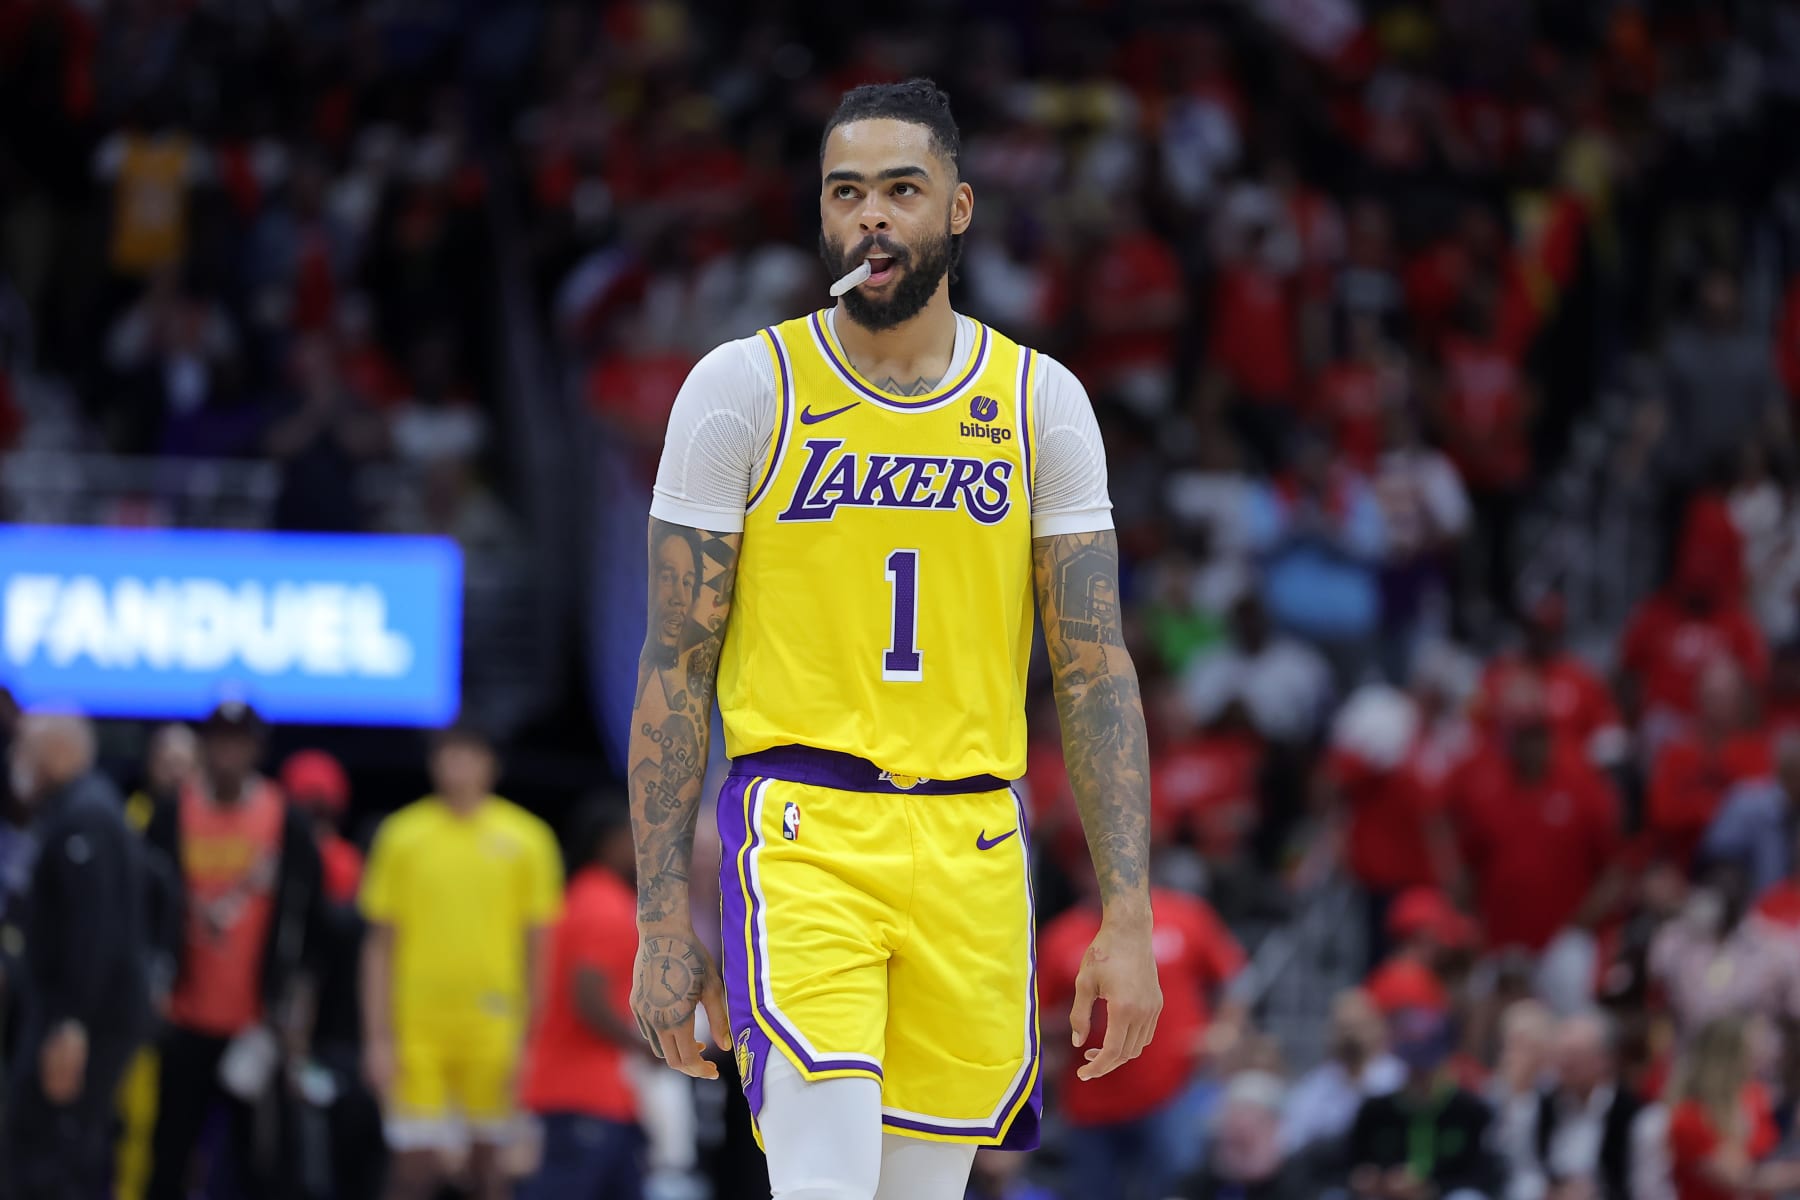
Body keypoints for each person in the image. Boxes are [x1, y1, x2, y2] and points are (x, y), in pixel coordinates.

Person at [631, 78, 1162, 1200]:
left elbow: (1095, 662)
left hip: (973, 840)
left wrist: (1127, 914)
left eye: (901, 191)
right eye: (847, 193)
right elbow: (674, 662)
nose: (871, 216)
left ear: (959, 210)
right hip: (805, 827)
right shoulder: (742, 389)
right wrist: (658, 917)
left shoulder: (1038, 402)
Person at [358, 724, 562, 1200]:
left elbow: (541, 949)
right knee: (413, 1168)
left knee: (490, 1170)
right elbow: (377, 946)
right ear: (434, 763)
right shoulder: (401, 836)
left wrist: (534, 1041)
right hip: (417, 1028)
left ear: (491, 764)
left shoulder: (528, 839)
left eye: (470, 756)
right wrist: (377, 1038)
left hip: (495, 1026)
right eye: (449, 756)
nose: (459, 768)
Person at [144, 701, 325, 1200]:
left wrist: (293, 1016)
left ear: (256, 749)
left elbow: (310, 926)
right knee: (170, 1157)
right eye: (219, 740)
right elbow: (146, 905)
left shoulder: (285, 820)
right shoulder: (171, 811)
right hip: (183, 1017)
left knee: (259, 1167)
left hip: (256, 1025)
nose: (228, 751)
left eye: (238, 741)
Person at [1, 712, 153, 1200]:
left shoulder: (86, 815)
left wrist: (70, 1024)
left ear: (60, 751)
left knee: (54, 1151)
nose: (15, 759)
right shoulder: (79, 808)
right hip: (74, 1015)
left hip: (81, 1022)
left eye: (26, 747)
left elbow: (94, 932)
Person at [1039, 868, 1247, 1200]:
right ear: (1082, 875)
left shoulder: (1185, 915)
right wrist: (1077, 1015)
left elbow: (1233, 977)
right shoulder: (1061, 937)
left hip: (1172, 1089)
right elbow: (1041, 1018)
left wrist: (1226, 1030)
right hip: (1090, 1102)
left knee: (1176, 1189)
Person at [519, 804, 646, 1200]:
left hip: (598, 1093)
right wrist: (646, 1049)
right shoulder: (603, 905)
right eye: (635, 836)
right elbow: (587, 998)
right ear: (608, 843)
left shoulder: (583, 895)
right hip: (581, 1091)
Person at [1347, 1007, 1503, 1200]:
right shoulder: (1375, 1111)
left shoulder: (1471, 1111)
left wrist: (1431, 1188)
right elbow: (1348, 1165)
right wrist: (1367, 1180)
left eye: (1426, 1067)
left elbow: (1485, 1175)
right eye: (1413, 1067)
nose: (1419, 1076)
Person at [1504, 1011, 1645, 1200]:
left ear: (1604, 1060)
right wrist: (1545, 1192)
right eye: (1561, 1056)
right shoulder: (1540, 1106)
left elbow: (1645, 1189)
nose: (1565, 1065)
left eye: (1575, 1056)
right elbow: (1522, 1171)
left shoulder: (1635, 1117)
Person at [1663, 1016, 1800, 1200]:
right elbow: (1739, 1178)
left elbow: (1770, 1155)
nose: (1768, 1052)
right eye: (1757, 1047)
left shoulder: (1755, 1096)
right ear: (1730, 1054)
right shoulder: (1689, 1115)